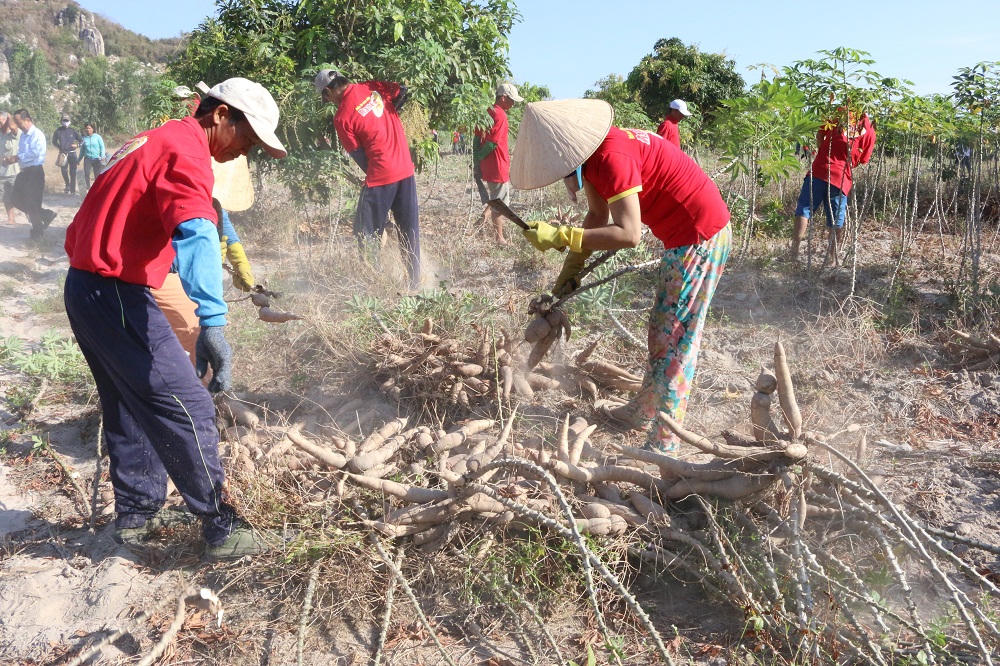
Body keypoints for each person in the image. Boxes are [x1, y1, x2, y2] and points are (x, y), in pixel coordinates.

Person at [62, 77, 287, 559]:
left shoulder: (152, 139)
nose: (245, 150)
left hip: (87, 287)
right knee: (190, 403)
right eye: (248, 137)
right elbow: (199, 232)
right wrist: (213, 321)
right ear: (221, 114)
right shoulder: (185, 150)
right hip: (114, 289)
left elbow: (86, 219)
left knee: (128, 399)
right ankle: (221, 527)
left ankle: (138, 515)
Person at [510, 99, 731, 453]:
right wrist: (571, 270)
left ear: (570, 156)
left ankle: (664, 442)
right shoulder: (597, 156)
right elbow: (597, 215)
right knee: (661, 332)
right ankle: (643, 411)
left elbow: (629, 234)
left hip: (699, 236)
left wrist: (561, 234)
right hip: (682, 237)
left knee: (675, 340)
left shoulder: (612, 158)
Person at [314, 69, 421, 289]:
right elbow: (402, 90)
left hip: (381, 176)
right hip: (406, 169)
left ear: (328, 91)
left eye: (325, 97)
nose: (327, 102)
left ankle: (376, 283)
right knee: (409, 230)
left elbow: (360, 157)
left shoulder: (342, 117)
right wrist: (387, 115)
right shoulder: (372, 87)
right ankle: (415, 282)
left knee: (366, 233)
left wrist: (374, 172)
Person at [153, 155, 258, 365]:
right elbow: (193, 247)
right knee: (194, 333)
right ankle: (205, 393)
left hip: (180, 274)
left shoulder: (208, 194)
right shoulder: (178, 189)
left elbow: (222, 218)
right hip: (159, 272)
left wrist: (238, 259)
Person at [790, 107, 876, 264]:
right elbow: (863, 160)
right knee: (836, 219)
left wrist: (823, 151)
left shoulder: (839, 114)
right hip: (841, 178)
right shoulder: (869, 130)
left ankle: (793, 253)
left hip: (818, 170)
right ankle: (831, 258)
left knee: (804, 210)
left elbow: (820, 134)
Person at [473, 82, 524, 244]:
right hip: (497, 164)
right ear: (502, 98)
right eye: (511, 100)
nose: (513, 103)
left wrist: (477, 161)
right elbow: (492, 142)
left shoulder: (487, 112)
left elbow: (477, 138)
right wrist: (480, 158)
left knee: (496, 196)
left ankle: (484, 218)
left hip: (489, 165)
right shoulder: (500, 114)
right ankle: (499, 238)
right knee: (500, 204)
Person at [5, 109, 57, 240]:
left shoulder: (37, 134)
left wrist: (16, 158)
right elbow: (22, 154)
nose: (17, 124)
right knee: (15, 198)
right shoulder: (23, 135)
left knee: (32, 203)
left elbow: (35, 153)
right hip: (24, 172)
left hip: (35, 172)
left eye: (18, 122)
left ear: (27, 120)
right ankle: (46, 215)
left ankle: (37, 233)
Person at [52, 114, 82, 194]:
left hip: (72, 154)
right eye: (64, 120)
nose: (65, 122)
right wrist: (60, 147)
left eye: (67, 120)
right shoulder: (58, 131)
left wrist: (77, 145)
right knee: (64, 171)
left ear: (70, 122)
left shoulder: (73, 131)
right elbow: (53, 141)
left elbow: (82, 141)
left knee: (73, 172)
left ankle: (72, 190)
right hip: (63, 154)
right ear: (61, 121)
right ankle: (67, 185)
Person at [0, 112, 20, 225]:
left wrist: (8, 115)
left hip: (14, 171)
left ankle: (34, 216)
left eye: (0, 121)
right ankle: (11, 218)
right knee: (5, 197)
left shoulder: (14, 133)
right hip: (2, 172)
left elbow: (12, 125)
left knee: (18, 197)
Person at [80, 122, 106, 190]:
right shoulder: (84, 138)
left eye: (89, 128)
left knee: (97, 175)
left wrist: (102, 156)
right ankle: (88, 188)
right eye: (86, 128)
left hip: (97, 159)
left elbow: (102, 147)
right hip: (87, 159)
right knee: (87, 174)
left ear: (92, 129)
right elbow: (82, 151)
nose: (88, 130)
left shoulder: (97, 137)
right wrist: (78, 160)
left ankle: (97, 188)